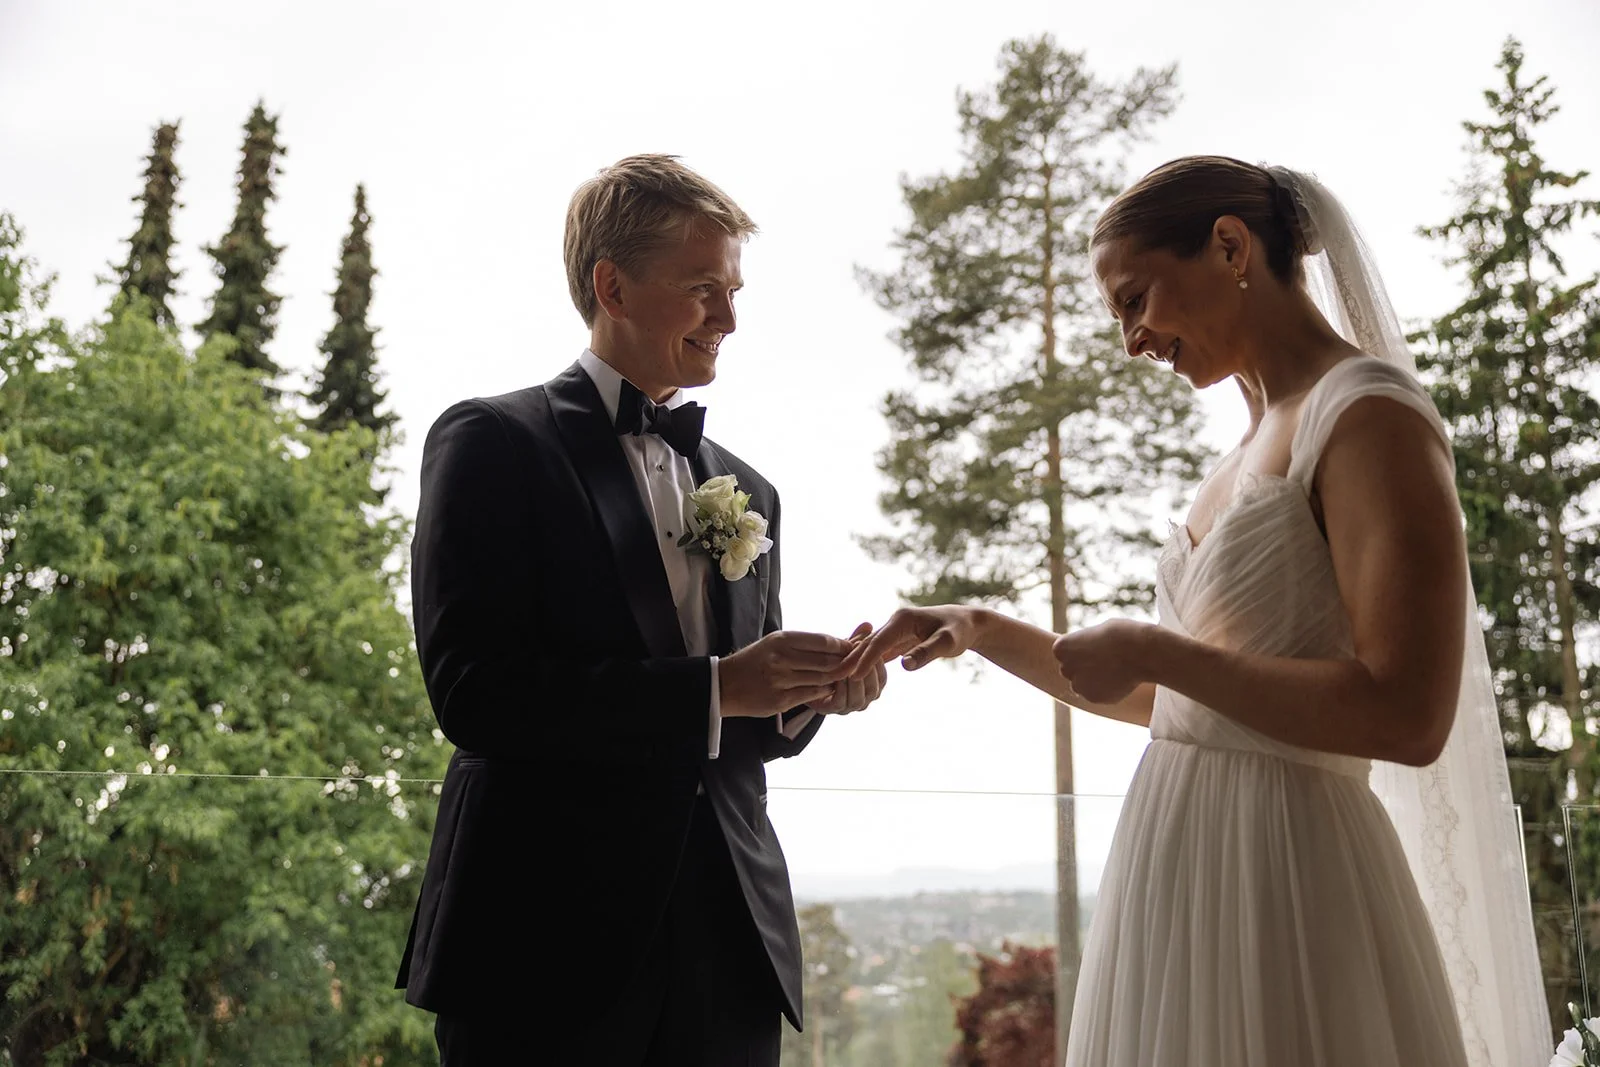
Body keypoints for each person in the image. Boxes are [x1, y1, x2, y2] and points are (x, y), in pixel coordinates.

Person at [845, 156, 1547, 1067]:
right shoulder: (1243, 448)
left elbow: (1408, 713)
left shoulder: (1369, 416)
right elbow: (1183, 703)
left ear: (1228, 246)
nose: (1131, 339)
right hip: (1179, 890)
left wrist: (1157, 650)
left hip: (1288, 887)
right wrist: (976, 625)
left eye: (1136, 299)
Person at [395, 153, 888, 1066]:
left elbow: (743, 717)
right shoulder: (492, 442)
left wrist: (806, 696)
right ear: (611, 285)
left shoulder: (752, 489)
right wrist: (713, 688)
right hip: (543, 942)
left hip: (730, 944)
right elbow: (474, 693)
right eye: (705, 288)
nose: (731, 319)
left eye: (734, 291)